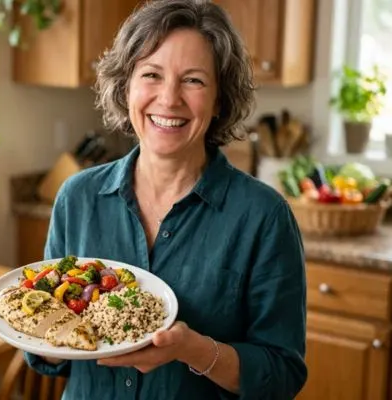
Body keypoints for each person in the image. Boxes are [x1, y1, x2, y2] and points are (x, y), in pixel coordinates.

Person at [22, 0, 307, 398]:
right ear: (126, 87)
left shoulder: (263, 217)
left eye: (193, 80)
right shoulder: (78, 197)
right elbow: (47, 354)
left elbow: (281, 374)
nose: (169, 99)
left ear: (219, 100)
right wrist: (32, 321)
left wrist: (192, 349)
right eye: (152, 75)